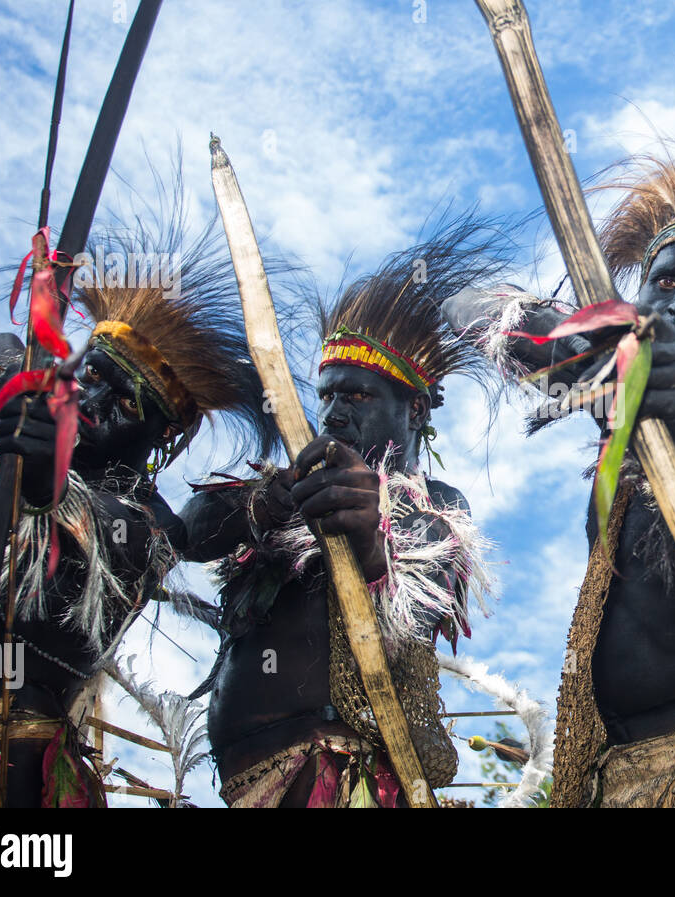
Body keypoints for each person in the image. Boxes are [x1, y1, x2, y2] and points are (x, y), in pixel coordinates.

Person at [447, 150, 675, 807]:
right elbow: (464, 308)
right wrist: (574, 340)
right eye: (669, 282)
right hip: (609, 770)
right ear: (637, 298)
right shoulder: (614, 392)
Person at [0, 221, 276, 807]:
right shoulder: (43, 419)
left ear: (167, 430)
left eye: (125, 398)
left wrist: (44, 473)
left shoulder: (154, 522)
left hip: (5, 760)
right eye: (91, 377)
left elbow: (70, 535)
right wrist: (15, 380)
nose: (96, 403)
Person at [181, 221, 500, 807]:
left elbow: (425, 598)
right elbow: (188, 531)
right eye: (325, 394)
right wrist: (265, 502)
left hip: (344, 773)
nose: (331, 414)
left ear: (416, 408)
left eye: (355, 395)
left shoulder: (433, 503)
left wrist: (368, 536)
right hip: (244, 777)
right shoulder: (283, 489)